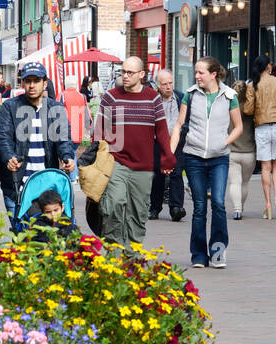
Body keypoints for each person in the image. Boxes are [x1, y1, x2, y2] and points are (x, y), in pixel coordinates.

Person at [93, 56, 176, 247]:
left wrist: (167, 156)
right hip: (116, 162)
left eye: (130, 72)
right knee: (113, 205)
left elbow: (161, 130)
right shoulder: (111, 96)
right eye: (123, 72)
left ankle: (132, 258)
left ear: (142, 75)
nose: (125, 76)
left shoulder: (153, 98)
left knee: (137, 214)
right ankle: (114, 255)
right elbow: (99, 131)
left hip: (143, 167)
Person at [170, 57, 240, 268]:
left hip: (219, 158)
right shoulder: (190, 95)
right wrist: (170, 154)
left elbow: (238, 127)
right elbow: (179, 125)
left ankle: (218, 250)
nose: (197, 76)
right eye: (196, 72)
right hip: (194, 157)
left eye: (201, 72)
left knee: (218, 202)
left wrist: (223, 142)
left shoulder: (230, 96)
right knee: (200, 206)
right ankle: (199, 254)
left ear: (213, 74)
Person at [0, 62, 75, 217]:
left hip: (49, 188)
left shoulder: (55, 108)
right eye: (28, 81)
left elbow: (63, 139)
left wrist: (67, 157)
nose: (32, 85)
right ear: (23, 83)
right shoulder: (10, 107)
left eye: (36, 81)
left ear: (45, 83)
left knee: (50, 238)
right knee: (23, 238)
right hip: (18, 187)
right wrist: (9, 157)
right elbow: (3, 138)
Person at [240, 54, 276, 218]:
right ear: (268, 67)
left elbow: (248, 110)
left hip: (262, 127)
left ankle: (268, 205)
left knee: (266, 166)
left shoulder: (252, 85)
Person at [149, 69, 186, 222]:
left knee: (176, 173)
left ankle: (176, 208)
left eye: (170, 83)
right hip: (158, 142)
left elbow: (186, 118)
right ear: (158, 85)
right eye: (164, 84)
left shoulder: (180, 97)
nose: (168, 87)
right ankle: (155, 208)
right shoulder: (153, 100)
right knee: (158, 175)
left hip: (177, 142)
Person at [227, 80, 257, 221]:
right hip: (249, 152)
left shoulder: (228, 108)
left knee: (234, 183)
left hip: (232, 151)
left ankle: (237, 209)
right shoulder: (250, 109)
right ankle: (241, 207)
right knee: (244, 183)